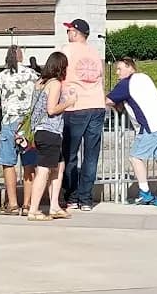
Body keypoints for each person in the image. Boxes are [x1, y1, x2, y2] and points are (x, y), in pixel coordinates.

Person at [106, 58, 157, 206]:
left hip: (150, 126)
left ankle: (145, 193)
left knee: (135, 157)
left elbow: (108, 100)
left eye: (120, 68)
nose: (117, 72)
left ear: (130, 67)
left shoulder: (126, 83)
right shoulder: (145, 77)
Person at [0, 46, 39, 216]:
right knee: (29, 163)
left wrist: (2, 103)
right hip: (28, 123)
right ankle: (28, 204)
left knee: (8, 162)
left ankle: (13, 204)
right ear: (21, 56)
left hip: (10, 121)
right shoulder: (32, 75)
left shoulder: (2, 76)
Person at [60, 19, 106, 211]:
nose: (67, 34)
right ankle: (86, 199)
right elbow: (101, 77)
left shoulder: (67, 50)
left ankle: (72, 195)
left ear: (75, 33)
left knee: (70, 154)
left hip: (75, 106)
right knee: (91, 155)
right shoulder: (94, 52)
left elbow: (58, 72)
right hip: (97, 105)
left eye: (69, 30)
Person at [27, 52, 77, 221]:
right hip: (50, 131)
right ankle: (34, 210)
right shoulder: (55, 83)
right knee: (43, 170)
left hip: (40, 131)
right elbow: (51, 109)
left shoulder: (40, 82)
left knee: (59, 166)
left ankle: (55, 206)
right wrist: (69, 102)